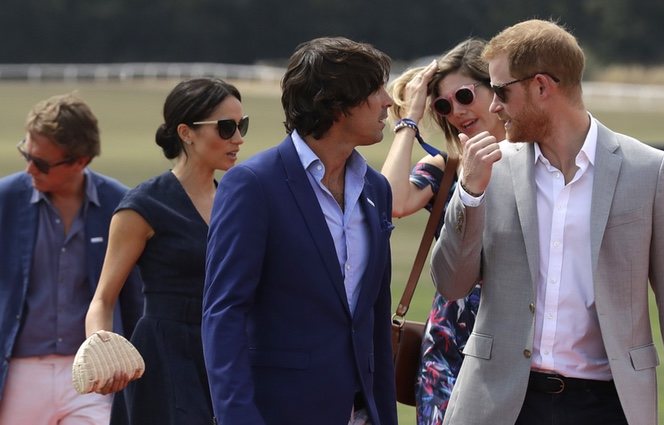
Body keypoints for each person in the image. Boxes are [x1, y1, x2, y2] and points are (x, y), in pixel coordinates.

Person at [430, 19, 664, 425]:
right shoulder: (492, 169)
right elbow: (451, 284)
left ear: (542, 86)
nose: (493, 107)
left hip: (607, 407)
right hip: (499, 404)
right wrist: (468, 194)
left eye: (502, 91)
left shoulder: (648, 171)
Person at [203, 36, 397, 425]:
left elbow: (374, 315)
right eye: (376, 89)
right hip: (280, 411)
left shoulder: (377, 189)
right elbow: (224, 314)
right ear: (337, 103)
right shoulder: (253, 185)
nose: (388, 102)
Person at [84, 78, 246, 425]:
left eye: (241, 125)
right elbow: (102, 299)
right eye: (227, 127)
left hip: (227, 351)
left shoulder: (237, 199)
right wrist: (101, 345)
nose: (238, 138)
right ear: (186, 132)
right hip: (165, 357)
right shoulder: (142, 206)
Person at [381, 38, 505, 425]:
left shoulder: (541, 161)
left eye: (465, 95)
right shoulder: (445, 166)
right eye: (444, 105)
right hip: (450, 352)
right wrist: (410, 120)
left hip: (520, 350)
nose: (457, 112)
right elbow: (392, 201)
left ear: (497, 88)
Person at [0, 93, 144, 424]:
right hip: (15, 371)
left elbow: (137, 297)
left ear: (80, 161)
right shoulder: (4, 201)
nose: (28, 168)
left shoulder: (120, 205)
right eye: (27, 154)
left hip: (94, 374)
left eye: (41, 162)